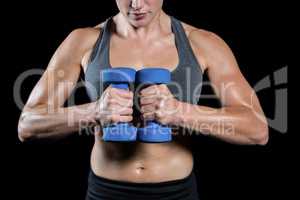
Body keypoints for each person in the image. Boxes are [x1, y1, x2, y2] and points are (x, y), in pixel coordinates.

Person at [18, 0, 269, 199]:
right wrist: (94, 111)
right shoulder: (83, 41)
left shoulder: (203, 43)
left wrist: (180, 112)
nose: (136, 4)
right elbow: (28, 125)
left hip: (176, 193)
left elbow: (257, 129)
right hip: (105, 192)